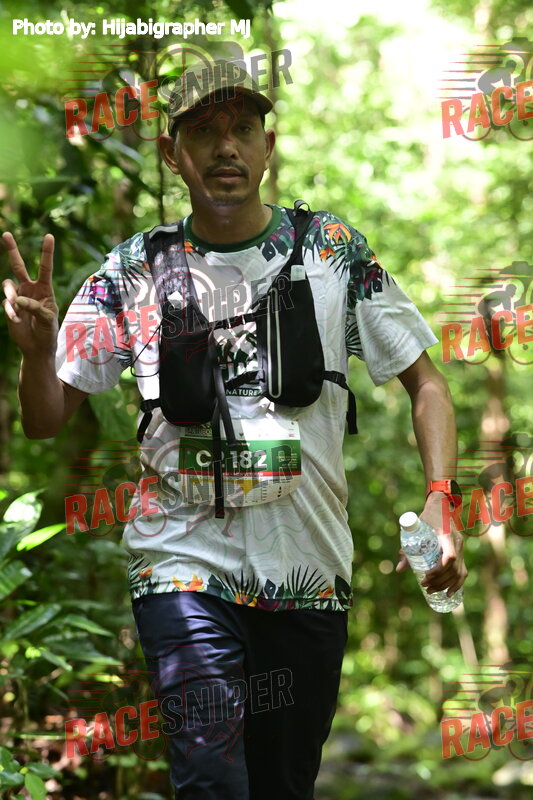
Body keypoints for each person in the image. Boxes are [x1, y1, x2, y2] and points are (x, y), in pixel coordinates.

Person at [2, 58, 467, 800]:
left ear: (267, 146)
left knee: (282, 782)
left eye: (243, 129)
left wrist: (442, 496)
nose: (227, 147)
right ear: (171, 152)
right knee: (210, 777)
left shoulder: (332, 252)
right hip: (181, 567)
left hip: (307, 571)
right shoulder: (133, 270)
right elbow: (44, 418)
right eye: (205, 132)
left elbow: (428, 385)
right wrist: (35, 353)